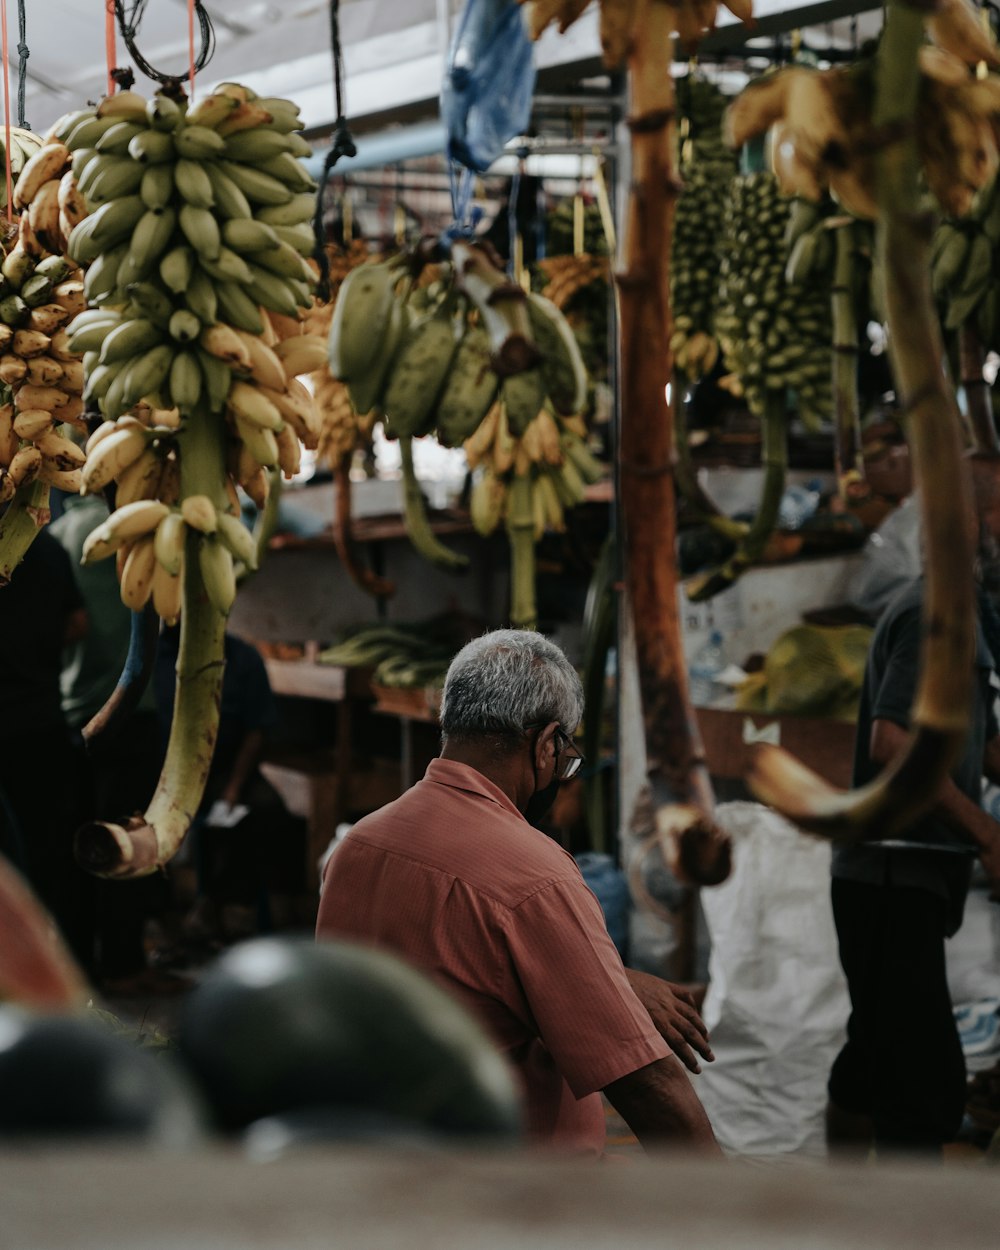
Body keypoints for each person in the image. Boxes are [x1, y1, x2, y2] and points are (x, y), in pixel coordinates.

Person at [316, 628, 720, 1157]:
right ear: (545, 742)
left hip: (378, 1160)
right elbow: (646, 1084)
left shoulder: (360, 843)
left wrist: (610, 979)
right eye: (566, 753)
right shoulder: (535, 876)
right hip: (512, 1191)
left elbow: (453, 967)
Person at [827, 468, 1000, 1160]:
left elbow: (965, 745)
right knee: (925, 1086)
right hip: (892, 877)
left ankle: (841, 1209)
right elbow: (895, 743)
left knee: (876, 1056)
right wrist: (987, 833)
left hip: (900, 880)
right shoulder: (938, 616)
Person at [155, 625, 305, 944]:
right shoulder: (153, 655)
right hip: (165, 774)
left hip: (227, 769)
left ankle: (227, 904)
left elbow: (256, 728)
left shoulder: (243, 657)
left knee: (266, 812)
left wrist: (234, 787)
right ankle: (169, 914)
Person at [0, 529, 93, 971]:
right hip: (41, 724)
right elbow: (78, 623)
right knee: (52, 855)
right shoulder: (50, 547)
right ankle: (66, 971)